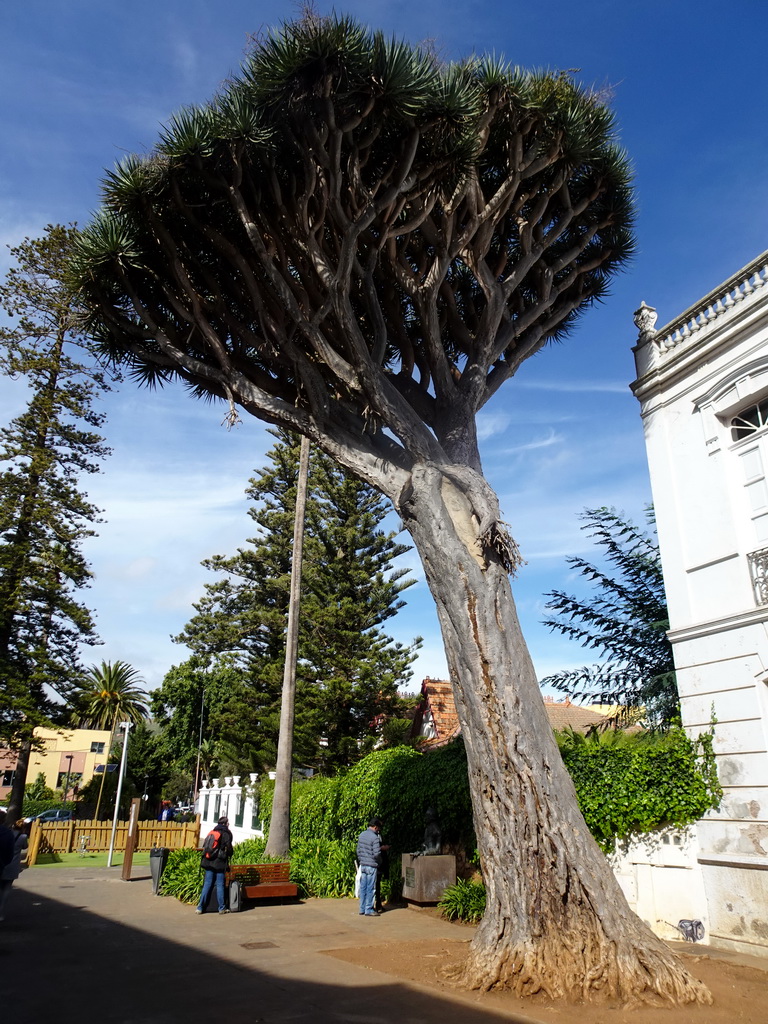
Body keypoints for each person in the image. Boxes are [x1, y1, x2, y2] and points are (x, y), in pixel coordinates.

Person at [196, 815, 233, 915]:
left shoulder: (212, 832)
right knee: (220, 884)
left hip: (208, 861)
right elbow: (229, 848)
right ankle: (221, 908)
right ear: (225, 824)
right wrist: (229, 854)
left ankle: (200, 907)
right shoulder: (225, 833)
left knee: (207, 884)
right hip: (219, 863)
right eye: (228, 823)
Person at [0, 818, 29, 922]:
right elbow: (25, 847)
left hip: (3, 861)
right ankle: (1, 912)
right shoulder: (23, 836)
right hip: (13, 863)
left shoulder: (7, 834)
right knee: (6, 889)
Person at [356, 816, 382, 917]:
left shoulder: (361, 835)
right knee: (371, 888)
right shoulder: (375, 838)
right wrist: (379, 862)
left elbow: (358, 851)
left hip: (363, 865)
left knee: (363, 887)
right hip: (372, 865)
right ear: (375, 827)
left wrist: (361, 860)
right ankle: (369, 909)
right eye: (378, 828)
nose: (379, 830)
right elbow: (377, 853)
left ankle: (362, 908)